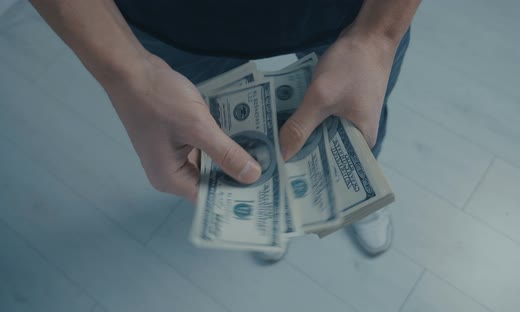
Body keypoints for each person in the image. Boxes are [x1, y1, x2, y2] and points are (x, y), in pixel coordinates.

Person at [31, 0, 421, 261]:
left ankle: (359, 201)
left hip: (354, 12)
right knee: (216, 137)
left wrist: (377, 36)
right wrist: (128, 73)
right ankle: (267, 215)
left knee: (354, 129)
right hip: (173, 21)